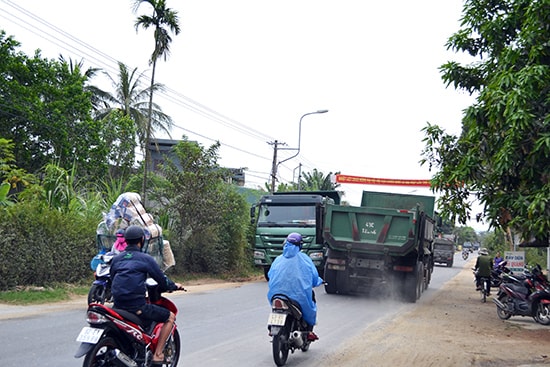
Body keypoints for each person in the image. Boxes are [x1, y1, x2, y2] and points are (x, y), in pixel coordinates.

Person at [110, 225, 183, 366]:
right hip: (136, 307)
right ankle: (158, 354)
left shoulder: (117, 259)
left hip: (117, 307)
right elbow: (162, 280)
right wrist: (174, 286)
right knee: (170, 317)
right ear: (142, 240)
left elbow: (113, 278)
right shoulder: (145, 259)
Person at [267, 232, 324, 341]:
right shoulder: (305, 259)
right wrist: (319, 281)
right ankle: (308, 331)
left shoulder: (278, 259)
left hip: (276, 295)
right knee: (310, 302)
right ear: (300, 245)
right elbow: (314, 277)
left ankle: (272, 328)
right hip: (297, 297)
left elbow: (270, 275)